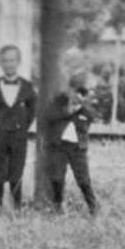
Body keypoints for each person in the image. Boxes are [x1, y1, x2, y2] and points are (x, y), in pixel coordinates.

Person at [0, 44, 37, 210]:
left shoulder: (27, 86)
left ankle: (16, 208)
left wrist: (22, 127)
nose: (9, 64)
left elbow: (32, 110)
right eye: (5, 61)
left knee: (16, 172)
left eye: (12, 60)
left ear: (18, 62)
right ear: (0, 63)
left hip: (18, 135)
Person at [40, 72, 99, 213]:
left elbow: (88, 120)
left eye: (88, 92)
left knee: (83, 179)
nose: (85, 94)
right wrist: (69, 109)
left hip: (77, 147)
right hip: (59, 146)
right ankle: (58, 206)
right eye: (82, 90)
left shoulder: (87, 107)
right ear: (73, 88)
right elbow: (49, 117)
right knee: (57, 178)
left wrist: (81, 106)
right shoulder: (60, 101)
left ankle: (94, 208)